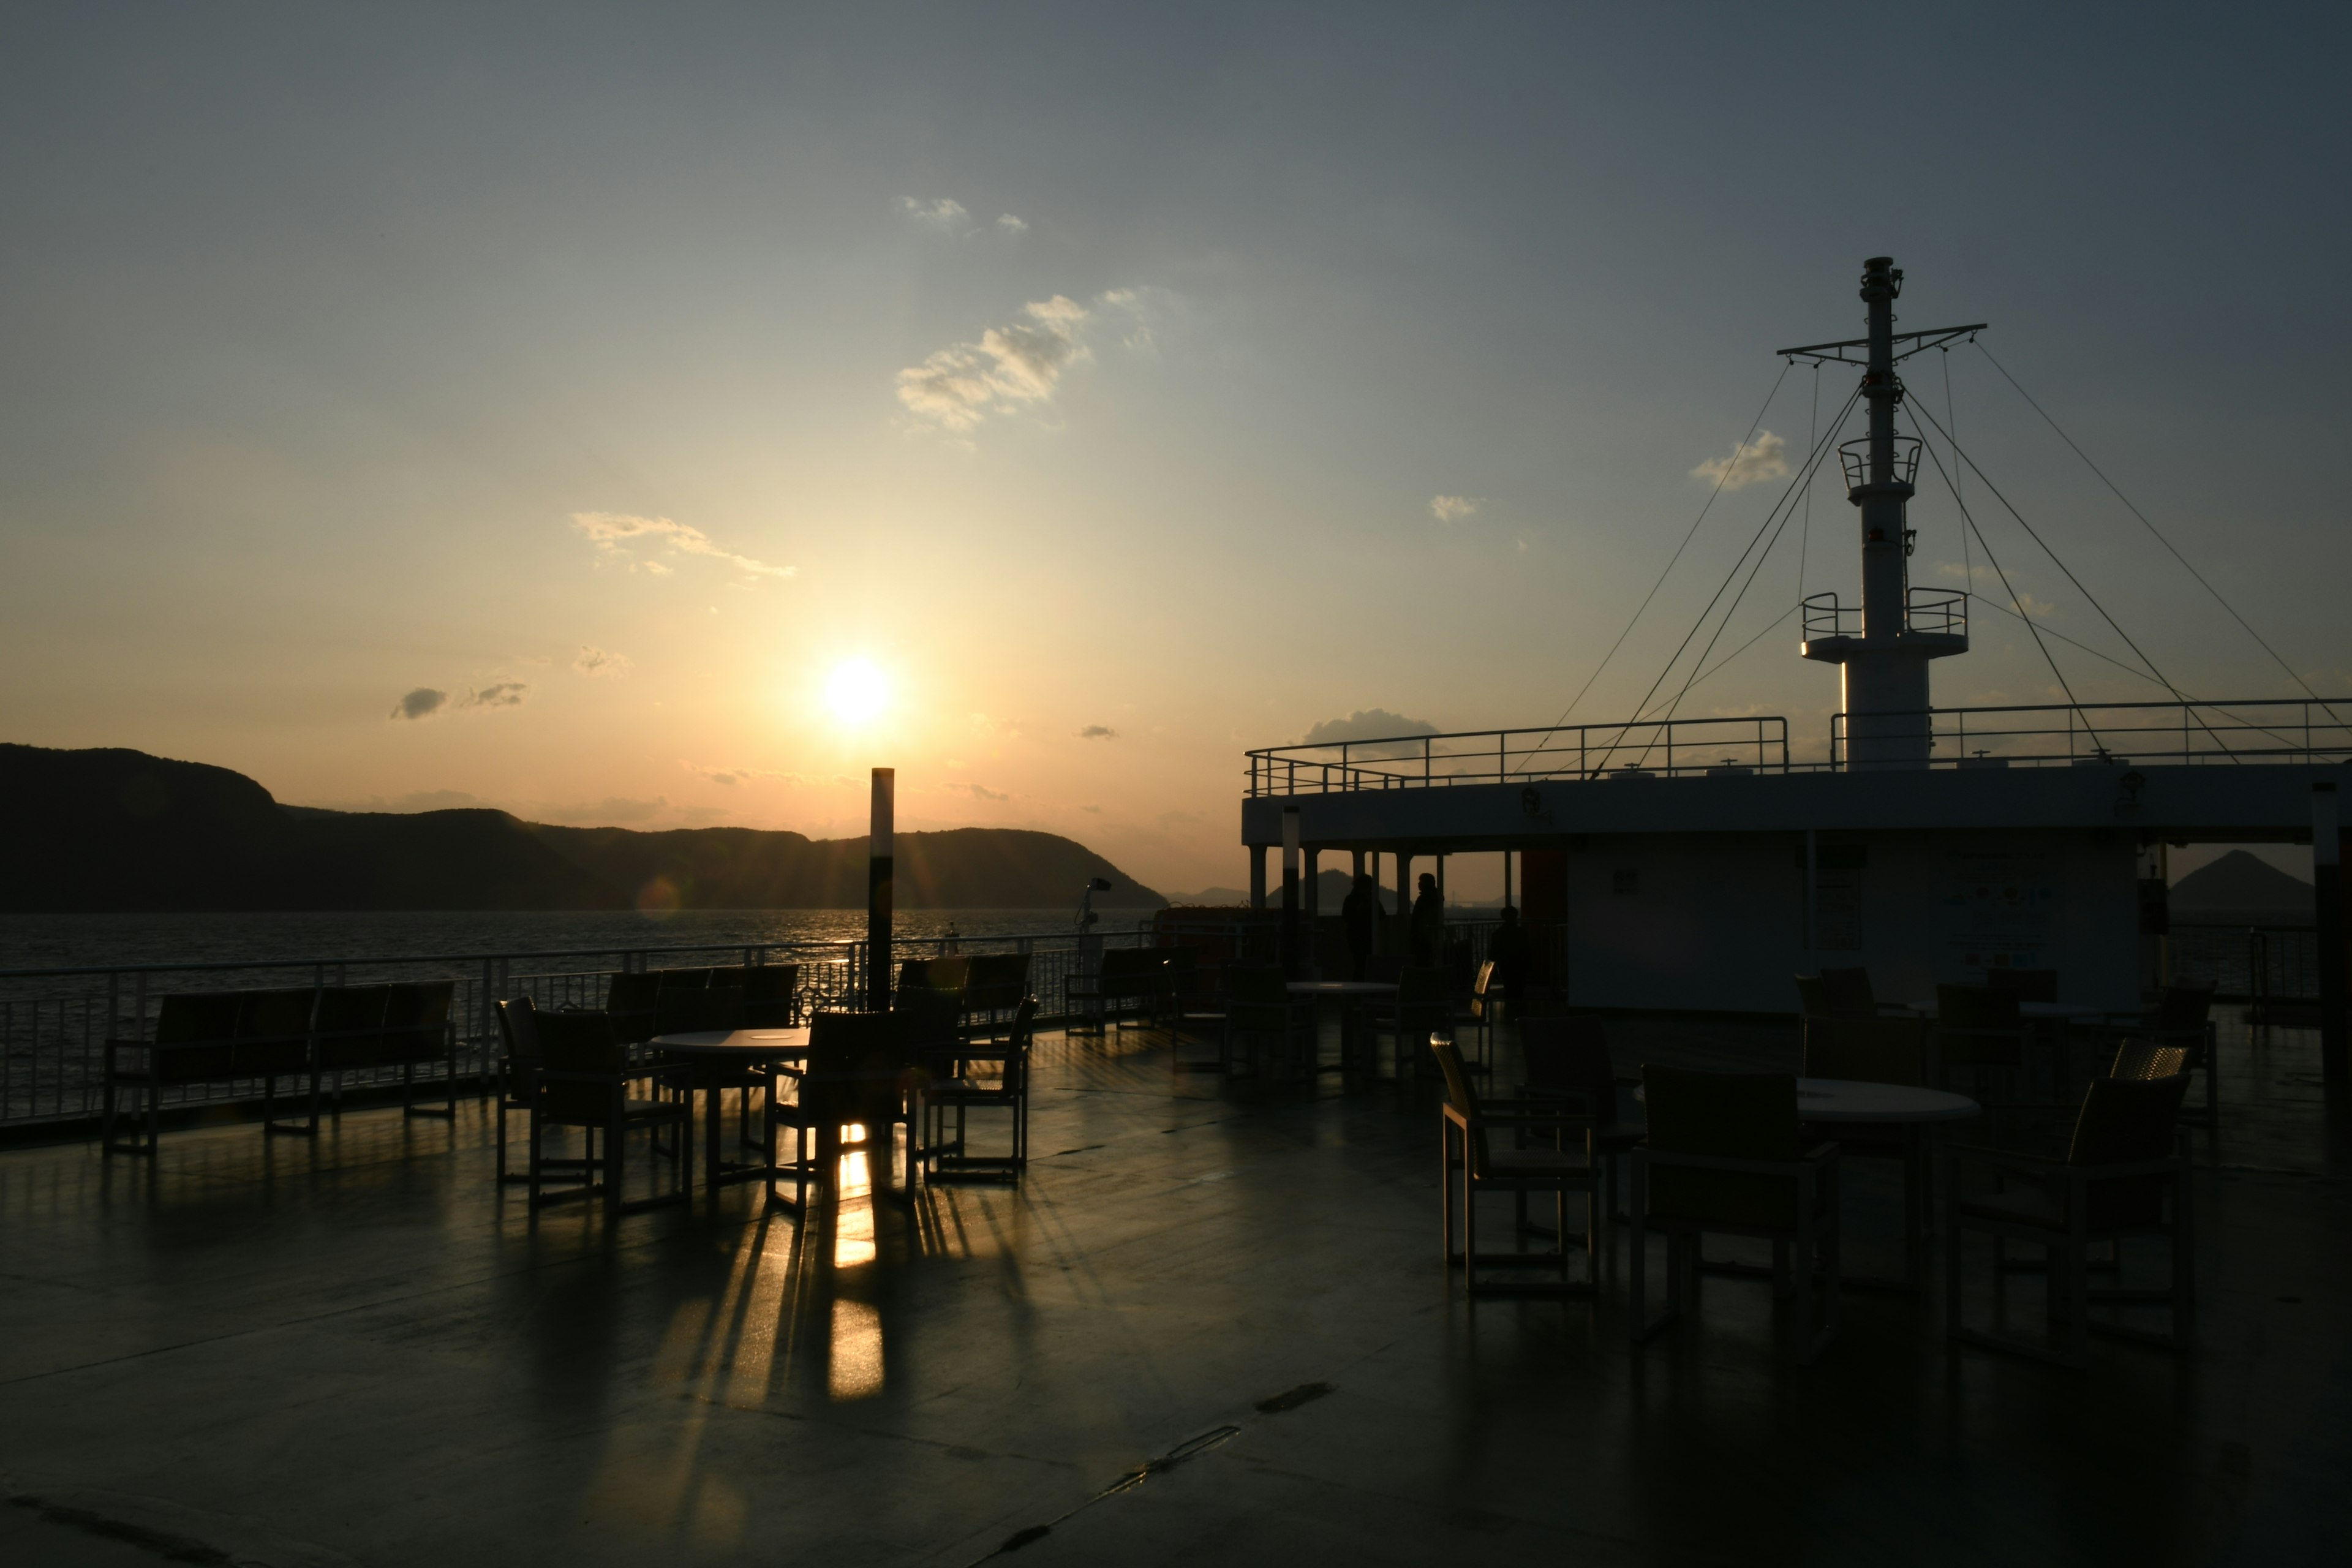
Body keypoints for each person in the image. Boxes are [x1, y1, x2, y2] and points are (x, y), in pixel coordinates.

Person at [1487, 903, 1529, 1009]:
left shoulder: (1498, 934)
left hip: (1505, 964)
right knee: (1519, 988)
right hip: (1521, 964)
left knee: (1508, 986)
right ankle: (1518, 1008)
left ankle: (1510, 1008)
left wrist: (1493, 968)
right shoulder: (1522, 933)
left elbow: (1493, 953)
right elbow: (1527, 950)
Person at [1341, 873, 1379, 981]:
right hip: (1362, 935)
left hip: (1357, 935)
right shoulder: (1363, 899)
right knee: (1361, 963)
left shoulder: (1352, 898)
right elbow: (1347, 917)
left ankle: (1359, 989)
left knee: (1360, 963)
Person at [1410, 872, 1444, 968]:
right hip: (1431, 935)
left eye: (1421, 882)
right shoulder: (1437, 897)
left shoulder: (1423, 899)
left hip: (1422, 936)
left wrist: (1413, 934)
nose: (1419, 884)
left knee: (1421, 962)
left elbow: (1416, 917)